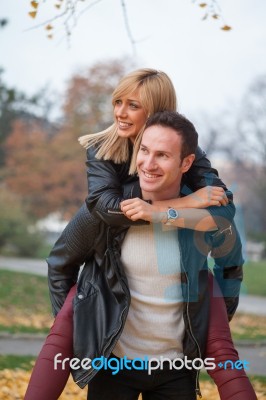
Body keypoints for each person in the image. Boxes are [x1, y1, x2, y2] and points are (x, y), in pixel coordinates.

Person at [24, 70, 256, 399]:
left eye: (132, 105)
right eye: (117, 102)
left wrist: (167, 211)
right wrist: (91, 326)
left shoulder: (192, 165)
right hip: (116, 364)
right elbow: (100, 211)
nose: (120, 112)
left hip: (173, 367)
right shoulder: (102, 153)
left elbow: (223, 213)